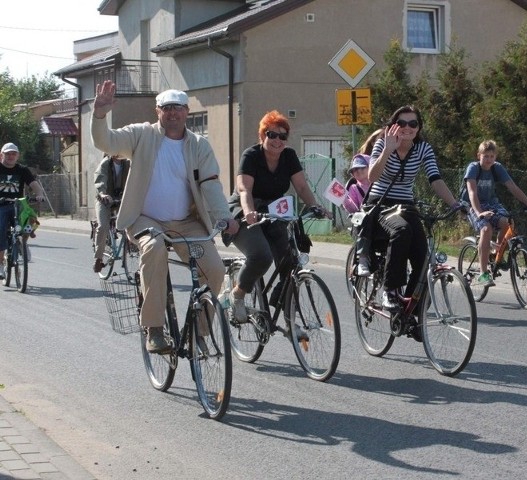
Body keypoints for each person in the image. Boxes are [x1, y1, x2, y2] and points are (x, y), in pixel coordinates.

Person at [90, 80, 239, 353]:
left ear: (187, 112)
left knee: (215, 270)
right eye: (166, 108)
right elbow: (107, 141)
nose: (172, 113)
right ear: (157, 111)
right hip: (145, 219)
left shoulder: (198, 145)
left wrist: (225, 217)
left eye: (178, 108)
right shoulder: (141, 135)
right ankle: (154, 329)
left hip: (186, 222)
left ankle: (199, 333)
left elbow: (210, 184)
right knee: (155, 247)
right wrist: (100, 114)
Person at [227, 110, 329, 328]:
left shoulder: (289, 156)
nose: (277, 141)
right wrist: (248, 212)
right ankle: (237, 294)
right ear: (263, 135)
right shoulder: (251, 156)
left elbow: (301, 186)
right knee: (261, 255)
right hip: (246, 212)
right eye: (272, 135)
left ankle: (285, 313)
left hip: (273, 212)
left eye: (283, 136)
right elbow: (244, 189)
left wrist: (315, 205)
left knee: (290, 261)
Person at [368, 105, 460, 310]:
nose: (407, 128)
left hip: (406, 206)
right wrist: (387, 150)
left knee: (423, 258)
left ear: (419, 127)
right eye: (401, 123)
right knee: (401, 230)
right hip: (381, 204)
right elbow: (371, 177)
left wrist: (455, 203)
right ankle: (390, 291)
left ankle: (411, 312)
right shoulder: (383, 143)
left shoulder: (423, 148)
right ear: (393, 126)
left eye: (413, 123)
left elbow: (435, 179)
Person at [462, 139, 527, 286]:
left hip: (491, 203)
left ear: (495, 157)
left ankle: (496, 253)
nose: (489, 159)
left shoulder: (497, 168)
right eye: (486, 156)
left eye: (492, 156)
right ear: (479, 156)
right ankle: (484, 273)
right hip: (472, 204)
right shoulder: (473, 168)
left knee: (508, 222)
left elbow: (513, 187)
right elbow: (472, 192)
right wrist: (479, 213)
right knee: (486, 229)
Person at [0, 143, 45, 280]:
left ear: (17, 156)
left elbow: (34, 184)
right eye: (7, 154)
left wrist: (39, 194)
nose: (10, 156)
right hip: (1, 206)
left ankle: (23, 243)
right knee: (0, 230)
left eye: (13, 154)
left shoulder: (22, 170)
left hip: (18, 204)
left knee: (30, 220)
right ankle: (1, 264)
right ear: (2, 155)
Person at [92, 153, 130, 273]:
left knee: (134, 221)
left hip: (121, 199)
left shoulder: (128, 163)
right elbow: (100, 179)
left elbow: (137, 178)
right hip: (104, 200)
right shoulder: (105, 163)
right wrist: (103, 194)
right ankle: (98, 259)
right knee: (103, 226)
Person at [342, 153, 372, 275]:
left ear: (370, 167)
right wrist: (344, 199)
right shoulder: (354, 188)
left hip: (380, 217)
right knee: (365, 219)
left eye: (361, 168)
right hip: (362, 219)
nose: (357, 171)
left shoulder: (379, 184)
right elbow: (352, 208)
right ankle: (363, 259)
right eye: (354, 170)